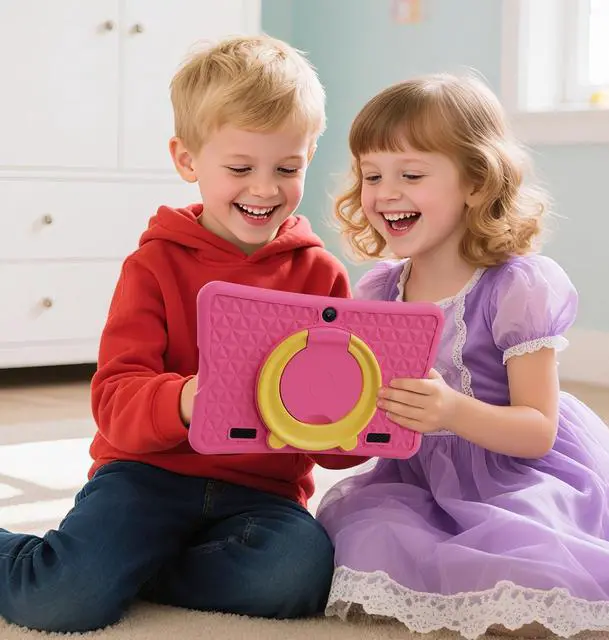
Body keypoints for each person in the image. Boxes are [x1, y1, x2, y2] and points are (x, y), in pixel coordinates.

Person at [0, 34, 365, 633]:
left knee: (297, 574)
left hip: (260, 493)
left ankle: (134, 570)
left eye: (288, 168)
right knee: (60, 600)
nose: (265, 188)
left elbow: (335, 450)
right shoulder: (153, 265)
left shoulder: (320, 275)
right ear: (187, 160)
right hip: (146, 477)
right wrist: (187, 398)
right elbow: (114, 400)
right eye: (240, 168)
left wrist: (365, 409)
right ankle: (103, 566)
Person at [317, 73, 609, 639]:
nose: (385, 192)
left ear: (475, 181)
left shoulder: (516, 287)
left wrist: (451, 411)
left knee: (530, 557)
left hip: (513, 469)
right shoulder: (379, 291)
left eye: (411, 175)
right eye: (372, 175)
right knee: (365, 538)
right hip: (419, 478)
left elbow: (538, 430)